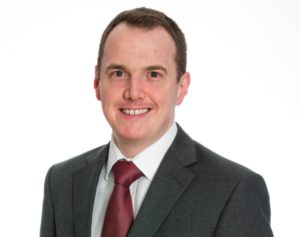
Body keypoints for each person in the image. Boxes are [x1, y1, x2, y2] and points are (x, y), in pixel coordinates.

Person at [40, 7, 273, 237]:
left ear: (181, 87)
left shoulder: (233, 191)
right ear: (97, 83)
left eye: (153, 75)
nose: (134, 92)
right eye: (119, 73)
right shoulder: (61, 182)